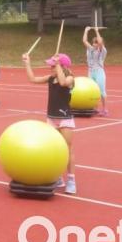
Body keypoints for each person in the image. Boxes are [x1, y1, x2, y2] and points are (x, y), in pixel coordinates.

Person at [22, 52, 77, 195]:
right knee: (53, 149)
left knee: (67, 149)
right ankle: (58, 177)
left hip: (64, 118)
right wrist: (27, 63)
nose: (50, 68)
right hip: (51, 118)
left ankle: (71, 180)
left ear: (61, 65)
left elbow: (64, 82)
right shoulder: (50, 78)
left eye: (52, 65)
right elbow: (33, 79)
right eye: (52, 65)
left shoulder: (70, 78)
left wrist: (58, 65)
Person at [84, 26, 108, 116]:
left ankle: (105, 109)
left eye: (96, 43)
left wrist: (97, 31)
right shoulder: (90, 49)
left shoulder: (102, 50)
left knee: (101, 91)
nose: (95, 44)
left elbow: (101, 42)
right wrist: (86, 31)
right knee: (92, 90)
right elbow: (84, 41)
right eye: (94, 43)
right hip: (91, 72)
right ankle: (95, 108)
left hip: (99, 72)